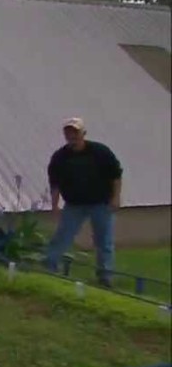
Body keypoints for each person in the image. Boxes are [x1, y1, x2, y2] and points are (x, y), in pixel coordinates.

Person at [43, 117, 123, 287]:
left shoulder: (100, 152)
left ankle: (105, 277)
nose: (72, 136)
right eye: (68, 132)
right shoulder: (60, 157)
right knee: (62, 236)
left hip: (101, 203)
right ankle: (50, 267)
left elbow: (115, 175)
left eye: (75, 132)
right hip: (74, 205)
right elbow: (55, 183)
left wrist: (116, 197)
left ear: (83, 133)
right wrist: (55, 205)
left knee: (104, 241)